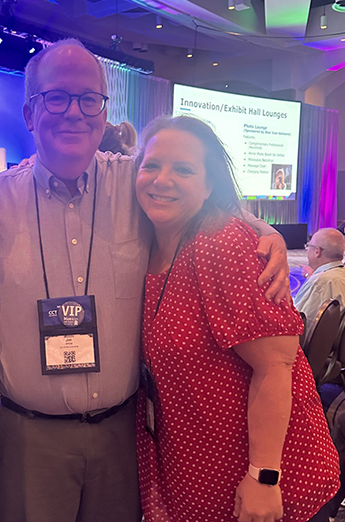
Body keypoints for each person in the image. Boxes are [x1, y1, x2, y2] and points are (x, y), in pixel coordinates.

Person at [0, 38, 290, 522]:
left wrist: (258, 227)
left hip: (123, 436)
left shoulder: (139, 183)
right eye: (57, 98)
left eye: (90, 100)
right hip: (28, 439)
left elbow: (199, 192)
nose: (74, 113)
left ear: (104, 112)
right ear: (29, 112)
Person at [135, 115, 339, 522]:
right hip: (200, 471)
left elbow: (276, 365)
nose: (163, 179)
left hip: (266, 485)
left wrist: (263, 478)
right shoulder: (145, 245)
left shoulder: (221, 242)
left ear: (210, 186)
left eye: (184, 169)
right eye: (151, 165)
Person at [294, 228, 345, 326]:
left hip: (320, 340)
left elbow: (299, 322)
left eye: (308, 246)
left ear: (317, 251)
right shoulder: (338, 275)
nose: (307, 250)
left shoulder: (321, 282)